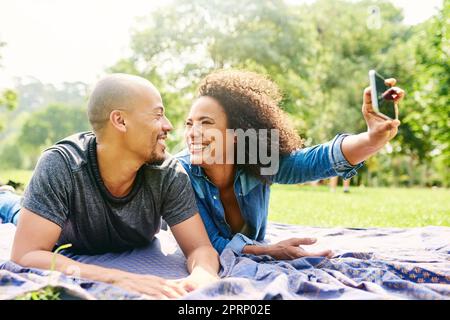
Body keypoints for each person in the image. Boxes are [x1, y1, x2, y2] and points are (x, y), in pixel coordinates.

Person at [6, 74, 220, 299]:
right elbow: (26, 254)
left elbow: (199, 248)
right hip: (56, 224)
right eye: (158, 115)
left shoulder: (168, 173)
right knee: (17, 211)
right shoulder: (61, 165)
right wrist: (115, 277)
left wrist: (202, 275)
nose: (168, 125)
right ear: (120, 120)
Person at [176, 69, 404, 260]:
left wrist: (371, 139)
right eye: (189, 124)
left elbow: (313, 161)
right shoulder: (180, 174)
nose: (192, 134)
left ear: (236, 133)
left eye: (206, 123)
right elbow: (208, 243)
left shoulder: (255, 159)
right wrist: (270, 251)